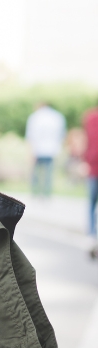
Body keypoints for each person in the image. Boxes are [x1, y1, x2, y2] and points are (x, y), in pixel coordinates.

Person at [25, 103, 66, 196]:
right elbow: (61, 134)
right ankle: (46, 193)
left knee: (36, 172)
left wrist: (29, 151)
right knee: (48, 173)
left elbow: (30, 136)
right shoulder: (57, 117)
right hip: (51, 150)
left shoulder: (34, 117)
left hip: (37, 149)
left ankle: (35, 191)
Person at [82, 106, 98, 256]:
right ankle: (92, 236)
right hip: (93, 167)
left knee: (92, 204)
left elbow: (87, 142)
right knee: (92, 203)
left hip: (94, 167)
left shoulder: (91, 118)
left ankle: (91, 236)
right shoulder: (91, 118)